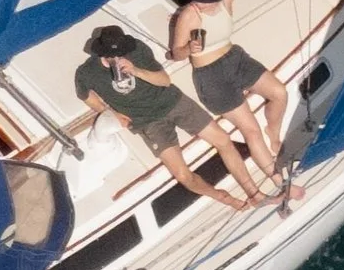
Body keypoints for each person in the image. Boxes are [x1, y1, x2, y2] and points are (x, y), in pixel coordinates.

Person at [69, 23, 256, 210]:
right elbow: (85, 95)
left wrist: (136, 71)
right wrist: (110, 112)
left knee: (223, 139)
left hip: (173, 102)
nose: (118, 57)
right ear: (102, 52)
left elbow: (165, 80)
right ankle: (223, 198)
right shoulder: (87, 72)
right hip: (147, 123)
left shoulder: (137, 49)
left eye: (121, 52)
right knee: (182, 175)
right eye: (112, 55)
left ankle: (253, 192)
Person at [168, 0, 289, 191]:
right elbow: (175, 53)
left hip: (235, 58)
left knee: (279, 92)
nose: (197, 2)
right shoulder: (189, 15)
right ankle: (279, 180)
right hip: (210, 75)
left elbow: (222, 22)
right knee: (251, 130)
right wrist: (188, 50)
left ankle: (274, 133)